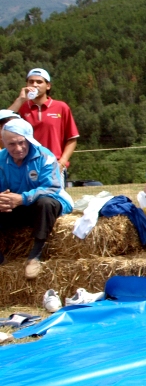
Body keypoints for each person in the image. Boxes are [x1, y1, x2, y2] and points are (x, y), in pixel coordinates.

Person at [0, 118, 73, 279]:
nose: (18, 148)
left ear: (29, 140)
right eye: (12, 144)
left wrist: (22, 198)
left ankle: (35, 255)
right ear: (3, 142)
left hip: (42, 204)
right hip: (17, 206)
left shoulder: (45, 157)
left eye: (21, 142)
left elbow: (52, 187)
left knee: (45, 203)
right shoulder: (1, 159)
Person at [9, 68, 79, 174]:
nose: (35, 85)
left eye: (39, 82)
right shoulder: (22, 107)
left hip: (54, 164)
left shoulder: (61, 107)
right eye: (31, 82)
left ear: (48, 86)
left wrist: (62, 162)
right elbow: (4, 122)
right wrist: (20, 100)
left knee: (52, 191)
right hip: (27, 164)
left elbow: (72, 138)